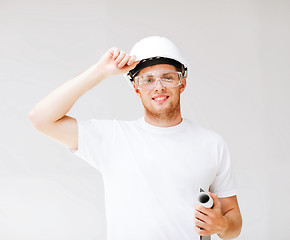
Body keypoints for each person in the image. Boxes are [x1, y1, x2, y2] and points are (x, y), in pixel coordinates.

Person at [28, 36, 242, 240]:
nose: (159, 86)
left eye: (168, 77)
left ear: (182, 83)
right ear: (136, 89)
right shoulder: (113, 138)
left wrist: (222, 225)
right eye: (147, 80)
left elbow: (234, 220)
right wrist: (99, 72)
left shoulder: (212, 143)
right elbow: (41, 118)